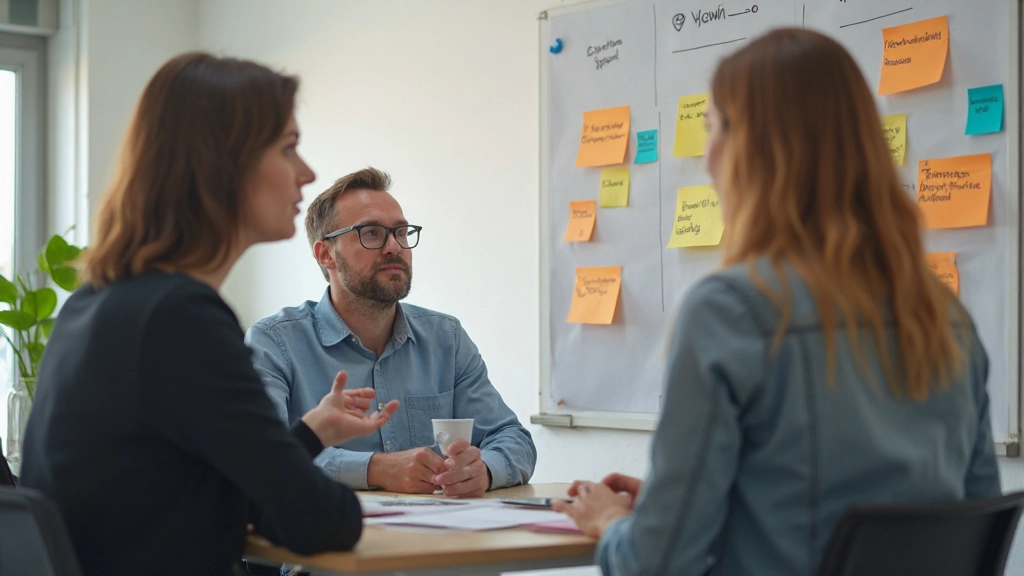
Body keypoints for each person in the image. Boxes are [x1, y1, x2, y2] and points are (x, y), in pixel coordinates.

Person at [554, 28, 1001, 576]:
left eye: (713, 128)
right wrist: (697, 504)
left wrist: (612, 524)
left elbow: (660, 565)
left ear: (752, 151)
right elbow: (970, 522)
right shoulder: (944, 315)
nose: (708, 158)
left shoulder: (730, 312)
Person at [19, 53, 399, 576]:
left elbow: (220, 490)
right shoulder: (180, 318)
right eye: (288, 148)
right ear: (224, 164)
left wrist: (309, 434)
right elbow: (322, 520)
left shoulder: (99, 301)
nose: (307, 173)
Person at [245, 167, 536, 497]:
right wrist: (374, 469)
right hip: (325, 542)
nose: (394, 247)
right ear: (326, 254)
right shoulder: (274, 342)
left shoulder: (446, 338)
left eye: (400, 232)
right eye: (371, 233)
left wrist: (482, 470)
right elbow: (260, 457)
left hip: (436, 541)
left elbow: (513, 438)